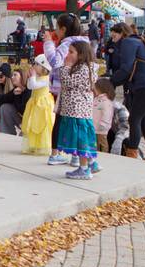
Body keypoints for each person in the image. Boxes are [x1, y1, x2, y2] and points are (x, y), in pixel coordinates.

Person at [110, 23, 145, 162]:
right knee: (144, 121)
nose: (112, 36)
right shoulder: (139, 41)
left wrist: (110, 82)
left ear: (122, 32)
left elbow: (126, 68)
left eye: (114, 33)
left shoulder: (128, 42)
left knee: (134, 119)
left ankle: (131, 157)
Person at [44, 13, 89, 165]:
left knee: (65, 121)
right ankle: (75, 155)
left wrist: (48, 43)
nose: (55, 31)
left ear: (63, 29)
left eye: (57, 28)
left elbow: (55, 61)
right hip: (80, 90)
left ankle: (63, 154)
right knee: (73, 121)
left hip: (66, 88)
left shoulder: (67, 44)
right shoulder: (84, 43)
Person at [56, 41, 98, 179]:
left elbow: (68, 81)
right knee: (82, 139)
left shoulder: (84, 69)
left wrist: (65, 67)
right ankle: (91, 163)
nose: (68, 55)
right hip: (77, 111)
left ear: (81, 54)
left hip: (77, 111)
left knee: (81, 141)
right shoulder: (84, 68)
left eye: (71, 52)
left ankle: (84, 169)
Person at [21, 55, 54, 155]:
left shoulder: (46, 79)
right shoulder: (37, 77)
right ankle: (34, 144)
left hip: (43, 104)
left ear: (45, 68)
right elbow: (29, 85)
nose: (34, 66)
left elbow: (33, 86)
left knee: (42, 123)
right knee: (33, 122)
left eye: (37, 64)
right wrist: (32, 77)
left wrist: (32, 77)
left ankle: (43, 146)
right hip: (35, 102)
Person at [0, 66, 31, 135]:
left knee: (24, 137)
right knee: (5, 107)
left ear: (22, 76)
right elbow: (1, 101)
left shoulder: (29, 90)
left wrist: (18, 96)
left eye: (15, 75)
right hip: (22, 119)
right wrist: (13, 94)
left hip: (31, 121)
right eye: (12, 75)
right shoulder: (15, 90)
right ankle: (7, 133)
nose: (12, 77)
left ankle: (25, 131)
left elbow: (24, 110)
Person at [93, 78, 115, 158]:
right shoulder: (96, 99)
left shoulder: (106, 102)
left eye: (95, 88)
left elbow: (107, 114)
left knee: (102, 144)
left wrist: (103, 125)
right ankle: (96, 156)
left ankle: (105, 157)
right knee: (95, 144)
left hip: (101, 129)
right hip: (94, 127)